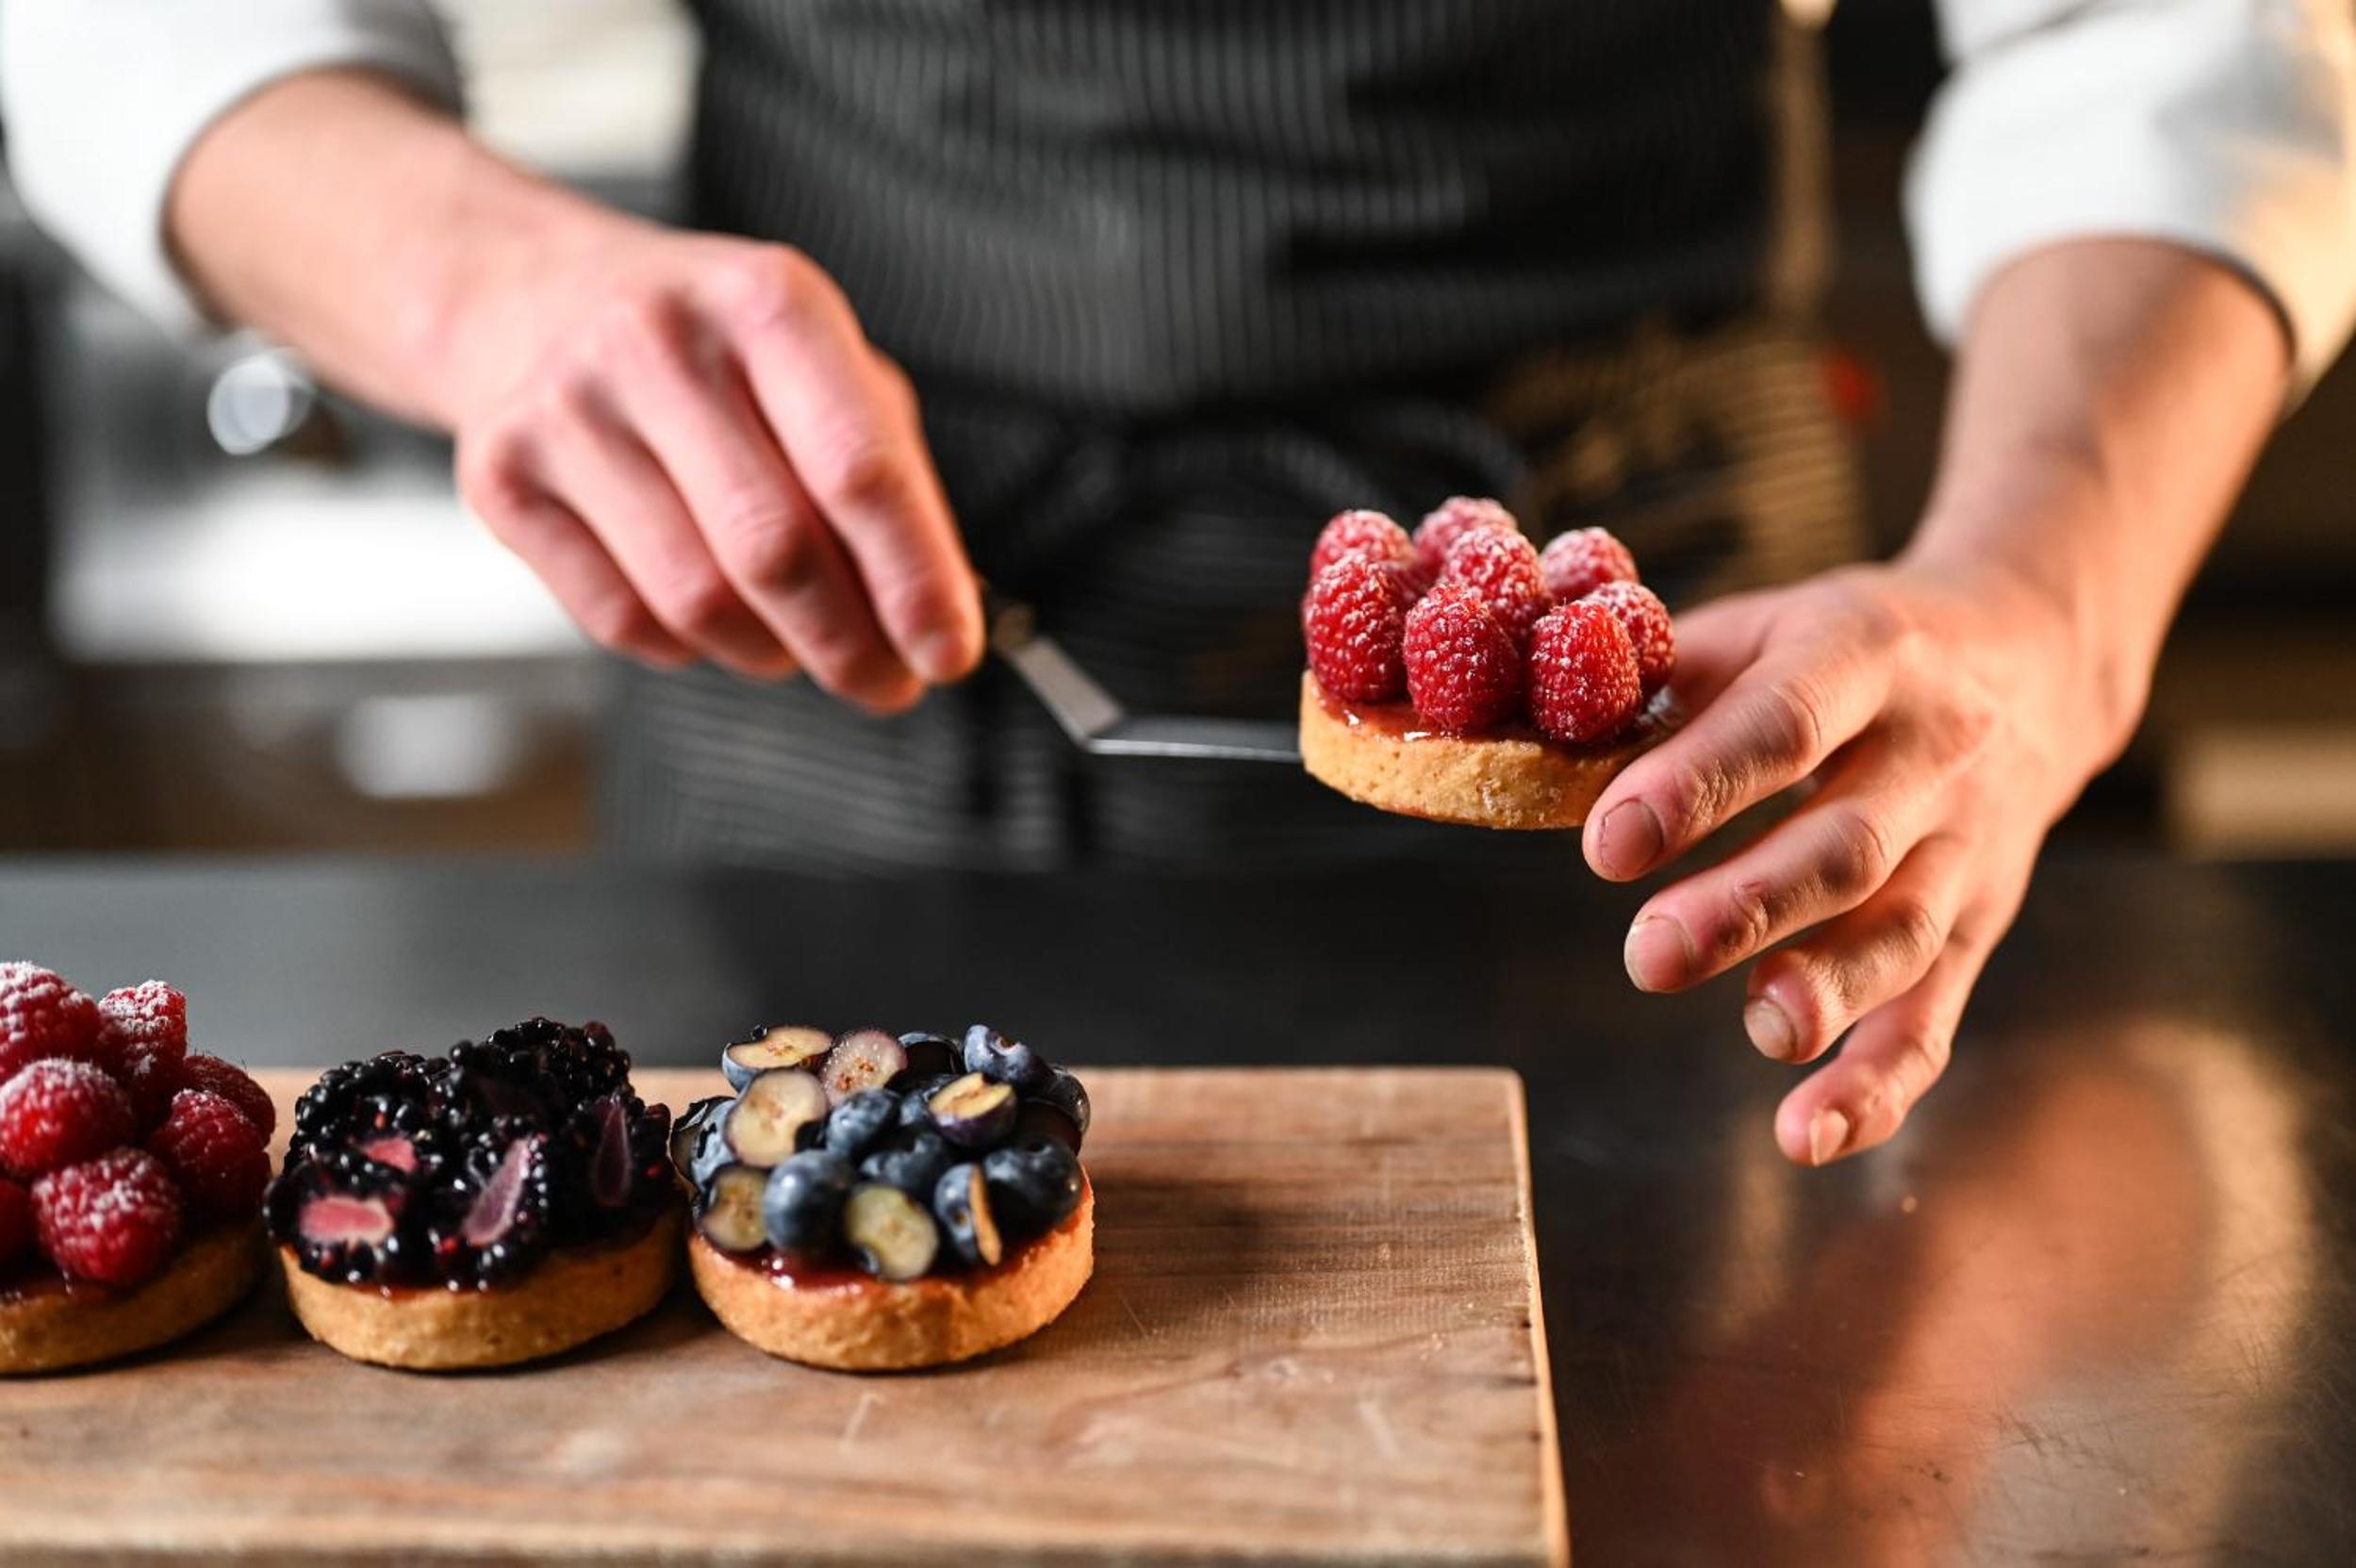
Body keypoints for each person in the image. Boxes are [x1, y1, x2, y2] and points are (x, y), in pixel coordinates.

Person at [4, 2, 2351, 1167]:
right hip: (840, 621)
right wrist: (480, 286)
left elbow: (2179, 38)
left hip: (1687, 706)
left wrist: (2035, 599)